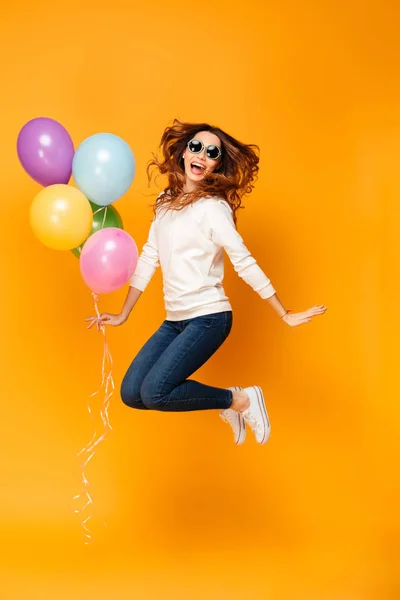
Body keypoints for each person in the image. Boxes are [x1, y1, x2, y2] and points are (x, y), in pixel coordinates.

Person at [86, 119, 327, 446]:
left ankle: (239, 400)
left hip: (209, 317)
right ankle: (232, 402)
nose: (202, 155)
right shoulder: (164, 202)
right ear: (184, 153)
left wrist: (283, 312)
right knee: (132, 393)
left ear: (216, 165)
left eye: (211, 153)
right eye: (196, 147)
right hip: (175, 321)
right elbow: (149, 257)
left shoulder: (214, 209)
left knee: (156, 393)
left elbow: (243, 260)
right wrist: (124, 313)